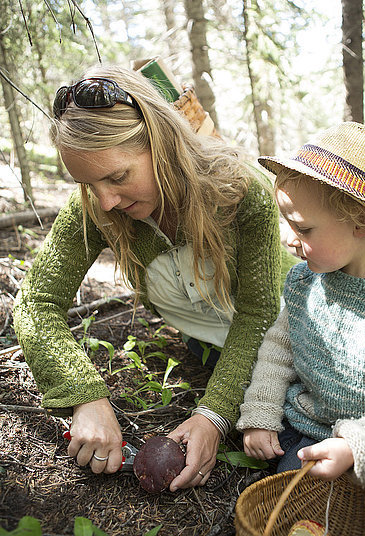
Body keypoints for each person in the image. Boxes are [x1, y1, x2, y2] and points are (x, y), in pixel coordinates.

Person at [13, 64, 295, 491]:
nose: (105, 200)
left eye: (118, 176)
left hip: (290, 323)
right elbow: (36, 302)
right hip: (207, 338)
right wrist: (83, 395)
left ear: (161, 144)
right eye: (88, 183)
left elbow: (259, 312)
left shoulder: (239, 189)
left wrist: (213, 414)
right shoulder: (95, 203)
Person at [237, 122, 365, 507]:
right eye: (286, 222)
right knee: (296, 503)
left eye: (302, 228)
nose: (287, 238)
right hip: (307, 429)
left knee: (357, 508)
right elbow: (279, 351)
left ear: (361, 221)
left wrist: (355, 446)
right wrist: (261, 411)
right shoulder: (303, 283)